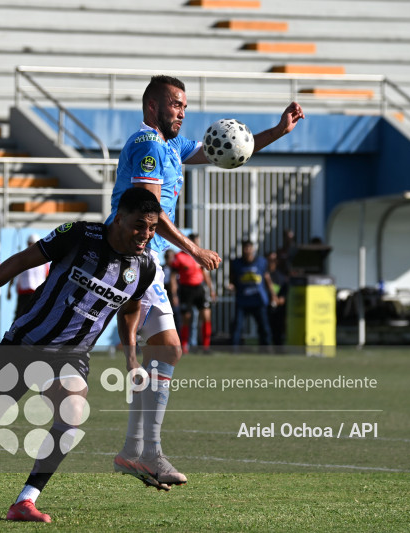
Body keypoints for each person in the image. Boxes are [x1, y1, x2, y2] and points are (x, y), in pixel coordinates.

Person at [0, 188, 161, 522]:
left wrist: (131, 357)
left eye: (152, 228)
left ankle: (25, 501)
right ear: (119, 218)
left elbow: (131, 309)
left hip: (71, 355)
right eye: (139, 225)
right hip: (25, 344)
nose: (146, 234)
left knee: (73, 413)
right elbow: (21, 260)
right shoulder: (79, 235)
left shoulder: (144, 267)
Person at [107, 75, 303, 488]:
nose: (182, 111)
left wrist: (278, 131)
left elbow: (228, 148)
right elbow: (148, 210)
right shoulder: (148, 145)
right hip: (131, 256)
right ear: (152, 107)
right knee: (162, 350)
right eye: (175, 104)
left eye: (184, 105)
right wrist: (193, 249)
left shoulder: (172, 145)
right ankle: (144, 451)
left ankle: (135, 450)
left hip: (147, 259)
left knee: (165, 352)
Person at [229, 239, 278, 350]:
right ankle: (234, 349)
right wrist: (231, 286)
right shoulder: (236, 263)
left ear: (253, 249)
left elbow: (267, 279)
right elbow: (233, 279)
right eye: (245, 248)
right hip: (242, 300)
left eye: (249, 248)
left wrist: (273, 294)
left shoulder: (261, 262)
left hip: (258, 300)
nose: (247, 251)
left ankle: (266, 349)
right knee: (237, 326)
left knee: (264, 327)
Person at [171, 233, 216, 354]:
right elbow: (173, 277)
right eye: (195, 242)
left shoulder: (199, 256)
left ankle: (206, 347)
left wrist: (211, 289)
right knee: (186, 318)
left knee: (206, 316)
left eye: (198, 242)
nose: (197, 244)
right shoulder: (179, 257)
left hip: (199, 289)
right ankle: (184, 346)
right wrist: (174, 294)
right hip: (186, 290)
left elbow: (205, 274)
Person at [7, 233, 49, 319]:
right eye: (30, 243)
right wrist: (9, 289)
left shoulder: (44, 260)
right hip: (24, 292)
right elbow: (13, 274)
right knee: (20, 315)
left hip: (37, 293)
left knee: (35, 316)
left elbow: (47, 276)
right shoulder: (22, 258)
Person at [266, 250, 288, 347]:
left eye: (274, 260)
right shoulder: (263, 275)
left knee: (278, 331)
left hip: (278, 308)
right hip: (265, 306)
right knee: (265, 330)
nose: (272, 262)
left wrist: (280, 299)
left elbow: (284, 292)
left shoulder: (281, 277)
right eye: (269, 260)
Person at [162, 249, 181, 334]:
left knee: (178, 319)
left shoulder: (178, 270)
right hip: (165, 296)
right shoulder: (161, 269)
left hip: (178, 295)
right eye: (168, 257)